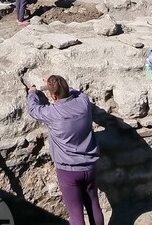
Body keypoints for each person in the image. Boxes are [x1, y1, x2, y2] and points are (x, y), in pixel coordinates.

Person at [26, 75, 104, 225]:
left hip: (68, 171)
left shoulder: (52, 113)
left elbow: (33, 109)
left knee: (76, 214)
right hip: (90, 166)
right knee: (94, 204)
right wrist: (58, 85)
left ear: (53, 96)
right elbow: (77, 92)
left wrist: (32, 92)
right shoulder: (83, 102)